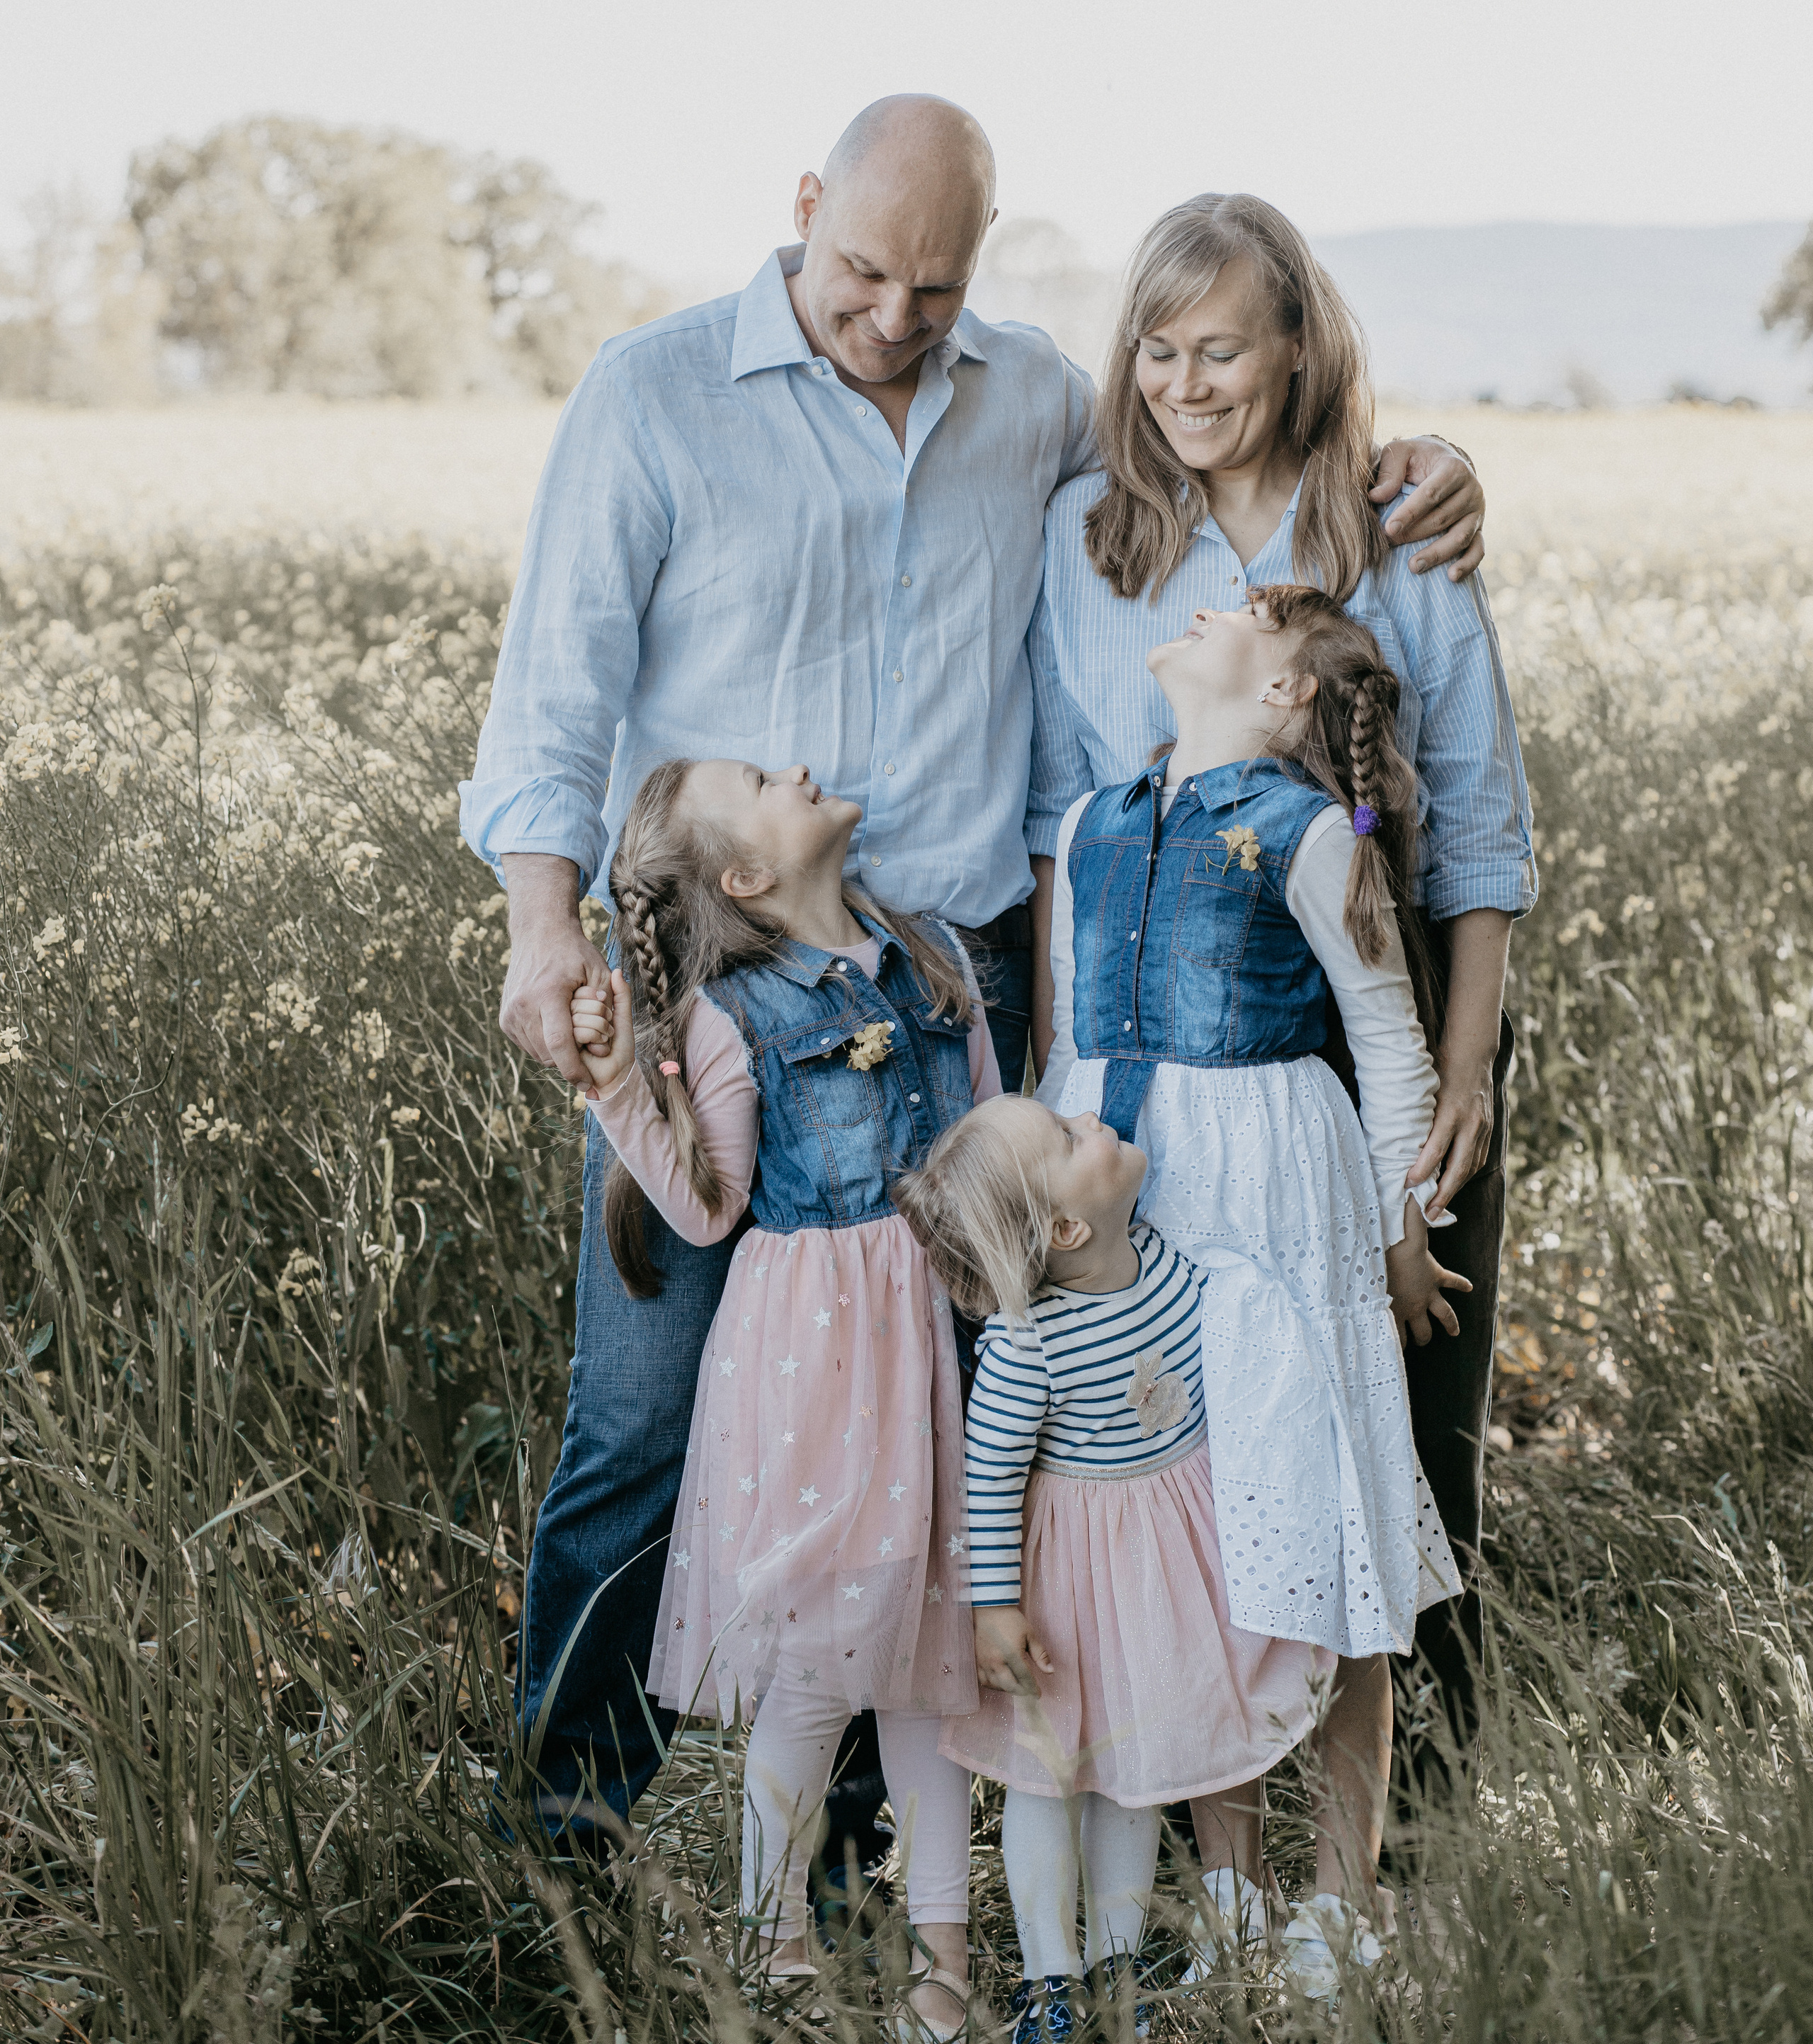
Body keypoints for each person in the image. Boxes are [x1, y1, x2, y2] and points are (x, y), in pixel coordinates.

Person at [458, 90, 1489, 1841]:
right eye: (862, 270)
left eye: (933, 287)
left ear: (977, 270)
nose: (890, 316)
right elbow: (548, 702)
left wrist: (1427, 474)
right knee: (636, 1421)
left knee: (943, 1431)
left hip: (956, 998)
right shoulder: (650, 397)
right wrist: (543, 927)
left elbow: (1222, 474)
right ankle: (573, 1837)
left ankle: (886, 1848)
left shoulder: (1025, 404)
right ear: (801, 210)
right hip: (713, 991)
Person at [1027, 193, 1535, 1795]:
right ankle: (1206, 1798)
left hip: (1385, 1032)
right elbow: (1072, 820)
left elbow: (1480, 823)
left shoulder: (1393, 530)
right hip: (1190, 1071)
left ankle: (1415, 1817)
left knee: (1399, 1411)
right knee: (1210, 1428)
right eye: (1156, 350)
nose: (1183, 383)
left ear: (1297, 348)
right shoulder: (1089, 543)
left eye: (1222, 348)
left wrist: (1460, 1074)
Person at [1035, 585, 1468, 1998]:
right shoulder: (1092, 820)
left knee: (1318, 1526)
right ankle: (1229, 1890)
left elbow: (1383, 1034)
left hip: (1269, 1191)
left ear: (1283, 694)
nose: (1197, 606)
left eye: (1236, 612)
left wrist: (1405, 1223)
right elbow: (1061, 1040)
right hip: (1128, 1190)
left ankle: (1335, 1909)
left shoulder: (1308, 835)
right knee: (1187, 1540)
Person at [567, 754, 996, 2034]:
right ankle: (776, 1944)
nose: (800, 766)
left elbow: (980, 1144)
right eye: (764, 777)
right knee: (816, 1655)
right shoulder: (731, 1015)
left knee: (938, 1661)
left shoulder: (930, 957)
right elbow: (706, 1204)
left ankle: (945, 1966)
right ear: (748, 878)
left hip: (933, 1344)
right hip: (815, 1362)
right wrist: (614, 1091)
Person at [895, 1096, 1333, 2037]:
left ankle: (1118, 1966)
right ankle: (1053, 1981)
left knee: (1139, 1765)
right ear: (1063, 1226)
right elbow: (991, 1475)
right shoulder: (1027, 1343)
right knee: (1050, 1777)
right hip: (1066, 1590)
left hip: (1163, 1574)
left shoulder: (1168, 1263)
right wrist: (995, 1606)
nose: (1090, 1116)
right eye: (1065, 1134)